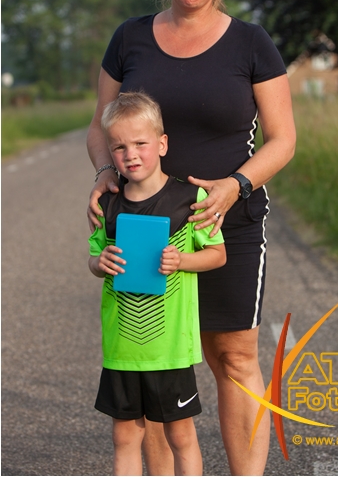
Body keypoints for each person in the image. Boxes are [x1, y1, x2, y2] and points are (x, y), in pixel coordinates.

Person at [87, 0, 296, 476]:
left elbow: (282, 140)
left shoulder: (251, 43)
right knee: (153, 362)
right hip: (144, 225)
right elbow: (100, 125)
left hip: (226, 222)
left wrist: (235, 186)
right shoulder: (129, 38)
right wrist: (104, 172)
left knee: (233, 356)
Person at [88, 91, 226, 476]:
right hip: (122, 349)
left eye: (140, 144)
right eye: (119, 147)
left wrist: (182, 260)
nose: (130, 155)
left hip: (171, 350)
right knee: (124, 438)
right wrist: (99, 262)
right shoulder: (107, 205)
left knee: (180, 437)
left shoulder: (190, 199)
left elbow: (218, 254)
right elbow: (93, 259)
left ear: (162, 144)